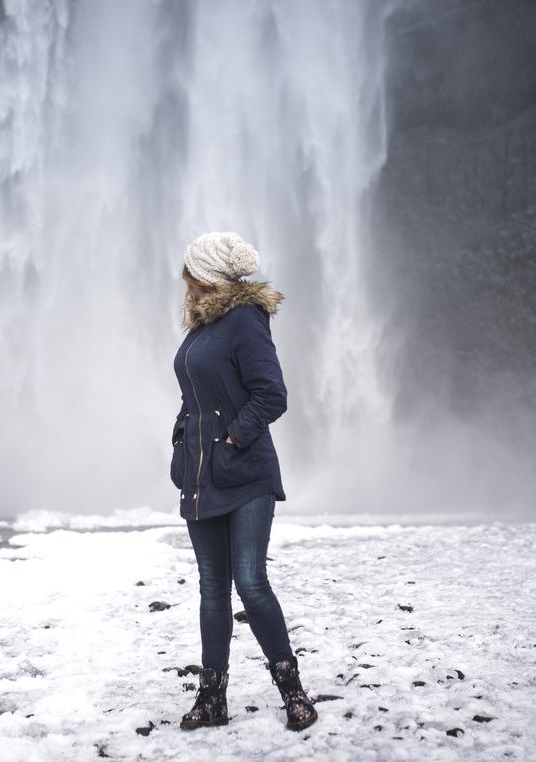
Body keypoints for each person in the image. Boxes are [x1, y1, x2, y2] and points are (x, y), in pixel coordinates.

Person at [170, 231, 317, 732]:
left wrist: (232, 439)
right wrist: (182, 436)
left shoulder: (244, 320)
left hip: (245, 472)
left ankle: (293, 692)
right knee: (212, 590)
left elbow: (271, 395)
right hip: (199, 475)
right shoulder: (200, 327)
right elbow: (198, 393)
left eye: (190, 272)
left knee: (250, 583)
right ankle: (212, 699)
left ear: (208, 276)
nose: (184, 280)